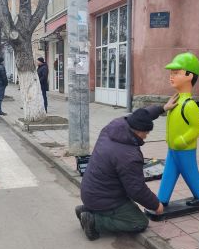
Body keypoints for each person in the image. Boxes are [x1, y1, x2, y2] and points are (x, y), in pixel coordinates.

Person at [76, 97, 178, 241]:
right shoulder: (128, 155)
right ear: (139, 132)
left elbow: (142, 114)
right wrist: (156, 205)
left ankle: (86, 210)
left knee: (124, 197)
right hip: (105, 198)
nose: (147, 136)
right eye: (146, 133)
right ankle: (95, 222)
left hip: (90, 190)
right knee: (139, 222)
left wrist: (163, 108)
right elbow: (136, 189)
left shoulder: (115, 125)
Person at [158, 52, 199, 207]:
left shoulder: (189, 105)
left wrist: (183, 140)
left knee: (190, 173)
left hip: (185, 148)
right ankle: (162, 200)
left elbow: (196, 127)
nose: (171, 76)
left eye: (176, 73)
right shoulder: (176, 101)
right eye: (171, 73)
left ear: (189, 76)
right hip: (173, 147)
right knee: (169, 174)